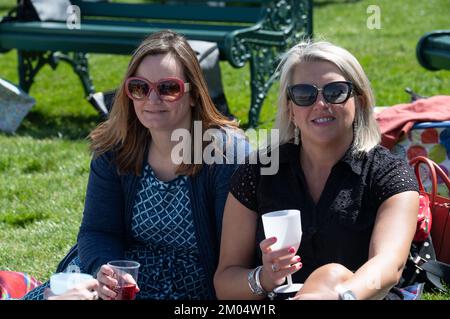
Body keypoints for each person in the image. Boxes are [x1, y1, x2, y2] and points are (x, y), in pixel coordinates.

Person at [22, 30, 247, 300]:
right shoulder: (116, 147)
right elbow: (98, 230)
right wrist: (104, 269)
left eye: (168, 88)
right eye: (140, 87)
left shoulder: (224, 154)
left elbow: (235, 255)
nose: (152, 99)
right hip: (119, 286)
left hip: (193, 291)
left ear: (194, 94)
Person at [214, 40, 420, 300]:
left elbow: (389, 266)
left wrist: (336, 296)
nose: (321, 103)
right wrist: (263, 278)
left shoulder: (388, 173)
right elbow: (225, 283)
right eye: (304, 94)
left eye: (335, 91)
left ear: (360, 100)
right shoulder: (258, 171)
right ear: (290, 109)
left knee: (332, 274)